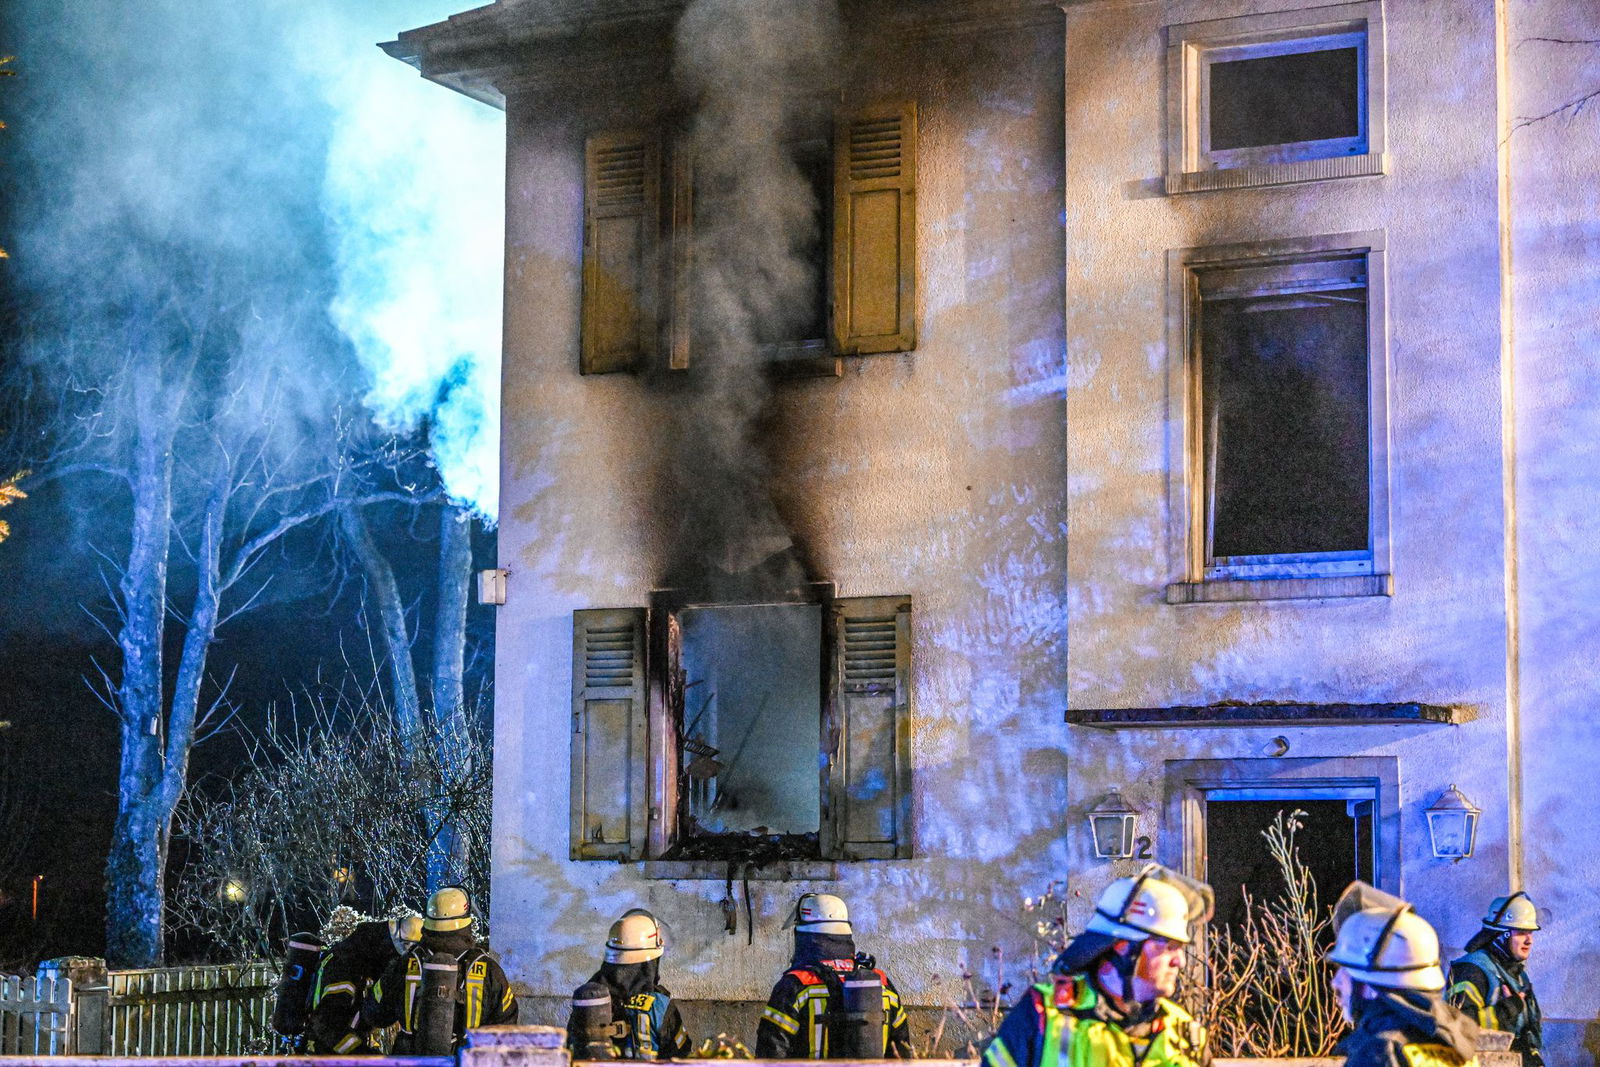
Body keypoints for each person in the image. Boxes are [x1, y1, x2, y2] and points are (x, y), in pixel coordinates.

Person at [983, 864, 1211, 1067]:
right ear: (1123, 946)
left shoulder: (1186, 1035)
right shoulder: (1044, 1013)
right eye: (1168, 946)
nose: (1179, 961)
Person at [1327, 881, 1480, 1067]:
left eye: (1347, 971)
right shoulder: (1457, 1046)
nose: (1336, 982)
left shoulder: (1382, 1052)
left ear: (1370, 986)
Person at [755, 893, 912, 1059]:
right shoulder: (880, 983)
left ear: (802, 935)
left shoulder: (796, 984)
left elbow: (769, 1054)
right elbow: (902, 1052)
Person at [365, 886, 518, 1052]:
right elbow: (506, 1031)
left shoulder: (404, 965)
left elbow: (374, 1015)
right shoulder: (488, 970)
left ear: (428, 923)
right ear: (466, 923)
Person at [566, 909, 692, 1060]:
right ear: (651, 961)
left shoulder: (589, 999)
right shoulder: (660, 1007)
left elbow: (570, 1051)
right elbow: (682, 1057)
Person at [1448, 892, 1543, 1066]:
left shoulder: (1518, 975)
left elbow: (1526, 1033)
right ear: (1501, 935)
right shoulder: (1471, 970)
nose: (1529, 940)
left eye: (1530, 932)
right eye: (1521, 932)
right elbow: (1456, 1029)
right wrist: (1506, 1011)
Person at [306, 913, 423, 1053]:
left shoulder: (361, 956)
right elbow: (327, 1025)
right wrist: (363, 1055)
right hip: (327, 1055)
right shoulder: (346, 965)